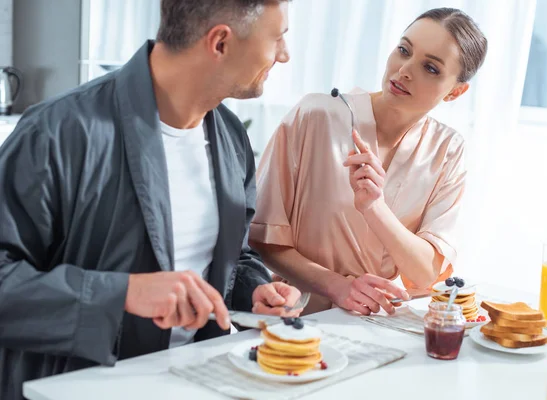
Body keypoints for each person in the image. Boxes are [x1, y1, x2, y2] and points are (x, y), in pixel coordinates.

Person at [0, 1, 297, 398]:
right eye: (277, 38)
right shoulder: (57, 133)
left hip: (198, 382)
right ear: (221, 42)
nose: (283, 54)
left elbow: (234, 259)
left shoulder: (231, 137)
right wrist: (122, 293)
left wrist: (256, 291)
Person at [250, 8, 488, 316]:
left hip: (379, 323)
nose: (404, 70)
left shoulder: (448, 150)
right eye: (404, 50)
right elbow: (264, 239)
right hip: (296, 318)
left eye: (430, 68)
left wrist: (375, 208)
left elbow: (426, 272)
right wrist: (338, 286)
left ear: (456, 91)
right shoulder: (315, 116)